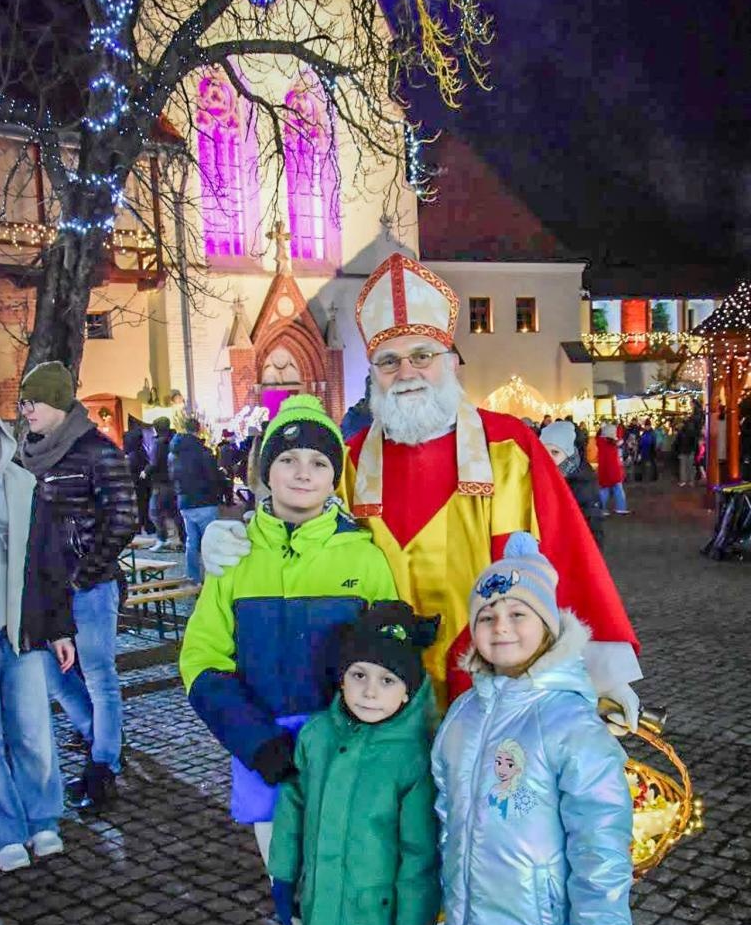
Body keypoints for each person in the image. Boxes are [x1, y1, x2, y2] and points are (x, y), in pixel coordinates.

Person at [202, 254, 641, 726]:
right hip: (375, 704)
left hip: (492, 692)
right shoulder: (347, 462)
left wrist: (604, 679)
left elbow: (567, 557)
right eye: (389, 361)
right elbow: (297, 535)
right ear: (373, 374)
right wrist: (239, 539)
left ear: (451, 362)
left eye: (422, 356)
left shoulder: (509, 448)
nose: (406, 372)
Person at [179, 394, 399, 925]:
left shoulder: (366, 556)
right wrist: (260, 743)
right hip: (269, 760)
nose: (303, 472)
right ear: (265, 470)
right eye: (289, 459)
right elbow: (202, 660)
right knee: (292, 884)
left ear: (335, 475)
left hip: (347, 757)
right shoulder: (235, 559)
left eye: (318, 462)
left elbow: (390, 659)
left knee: (360, 880)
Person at [433, 533, 632, 925]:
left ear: (548, 626)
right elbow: (447, 817)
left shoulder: (570, 724)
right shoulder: (464, 714)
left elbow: (602, 843)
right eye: (487, 615)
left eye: (518, 613)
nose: (501, 626)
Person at [269, 603, 448, 925]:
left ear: (409, 690)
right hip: (335, 906)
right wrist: (285, 875)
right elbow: (294, 807)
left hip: (388, 918)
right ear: (341, 678)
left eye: (387, 680)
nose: (370, 691)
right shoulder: (318, 737)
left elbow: (421, 854)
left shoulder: (414, 756)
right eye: (359, 675)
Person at [0, 393, 75, 871]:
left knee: (33, 733)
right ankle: (6, 832)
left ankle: (43, 821)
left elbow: (49, 562)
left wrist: (60, 629)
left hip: (21, 634)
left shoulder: (23, 486)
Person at [18, 361, 137, 812]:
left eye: (33, 402)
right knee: (56, 678)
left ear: (56, 402)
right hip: (45, 590)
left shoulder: (97, 451)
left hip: (90, 587)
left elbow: (123, 517)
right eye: (24, 403)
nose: (27, 411)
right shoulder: (26, 456)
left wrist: (85, 573)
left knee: (99, 676)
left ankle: (103, 767)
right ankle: (100, 743)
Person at [168, 418, 220, 586]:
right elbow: (212, 476)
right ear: (199, 429)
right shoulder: (203, 452)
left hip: (184, 501)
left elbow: (172, 476)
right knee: (210, 541)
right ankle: (213, 578)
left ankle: (193, 576)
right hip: (205, 500)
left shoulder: (174, 452)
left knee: (191, 541)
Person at [540, 421, 603, 549]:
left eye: (555, 452)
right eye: (543, 451)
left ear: (571, 453)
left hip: (572, 549)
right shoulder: (542, 476)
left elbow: (593, 529)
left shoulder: (584, 483)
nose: (548, 457)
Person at [143, 417, 182, 551]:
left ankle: (162, 538)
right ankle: (182, 539)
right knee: (174, 513)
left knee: (154, 512)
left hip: (160, 482)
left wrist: (144, 472)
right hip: (174, 481)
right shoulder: (175, 440)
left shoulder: (158, 443)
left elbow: (153, 463)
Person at [122, 422, 153, 534]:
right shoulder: (140, 452)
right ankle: (146, 526)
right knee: (144, 505)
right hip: (142, 483)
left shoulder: (130, 454)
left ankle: (140, 527)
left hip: (135, 483)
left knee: (139, 506)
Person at [596, 423, 630, 516]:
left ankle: (602, 509)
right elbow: (619, 437)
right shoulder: (612, 445)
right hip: (613, 471)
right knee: (618, 489)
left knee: (604, 490)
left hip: (603, 471)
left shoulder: (600, 442)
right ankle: (621, 508)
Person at [674, 415, 698, 487]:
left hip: (683, 450)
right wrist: (694, 450)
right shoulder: (692, 430)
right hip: (690, 450)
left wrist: (677, 451)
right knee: (690, 466)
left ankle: (683, 481)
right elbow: (695, 441)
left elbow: (677, 442)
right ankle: (691, 481)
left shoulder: (681, 431)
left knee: (683, 466)